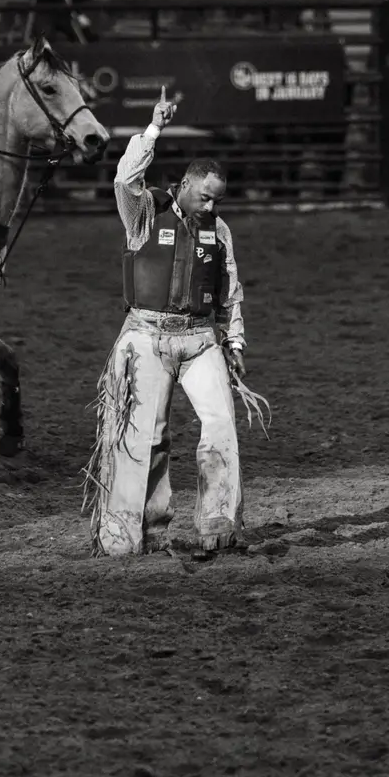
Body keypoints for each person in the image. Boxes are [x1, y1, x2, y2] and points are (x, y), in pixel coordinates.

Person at [86, 87, 248, 558]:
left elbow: (229, 290)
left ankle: (218, 524)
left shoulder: (217, 231)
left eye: (217, 200)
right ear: (184, 184)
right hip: (144, 335)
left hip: (200, 338)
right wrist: (153, 127)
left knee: (220, 424)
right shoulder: (143, 213)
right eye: (205, 197)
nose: (211, 207)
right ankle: (131, 532)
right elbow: (124, 177)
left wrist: (235, 342)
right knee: (143, 437)